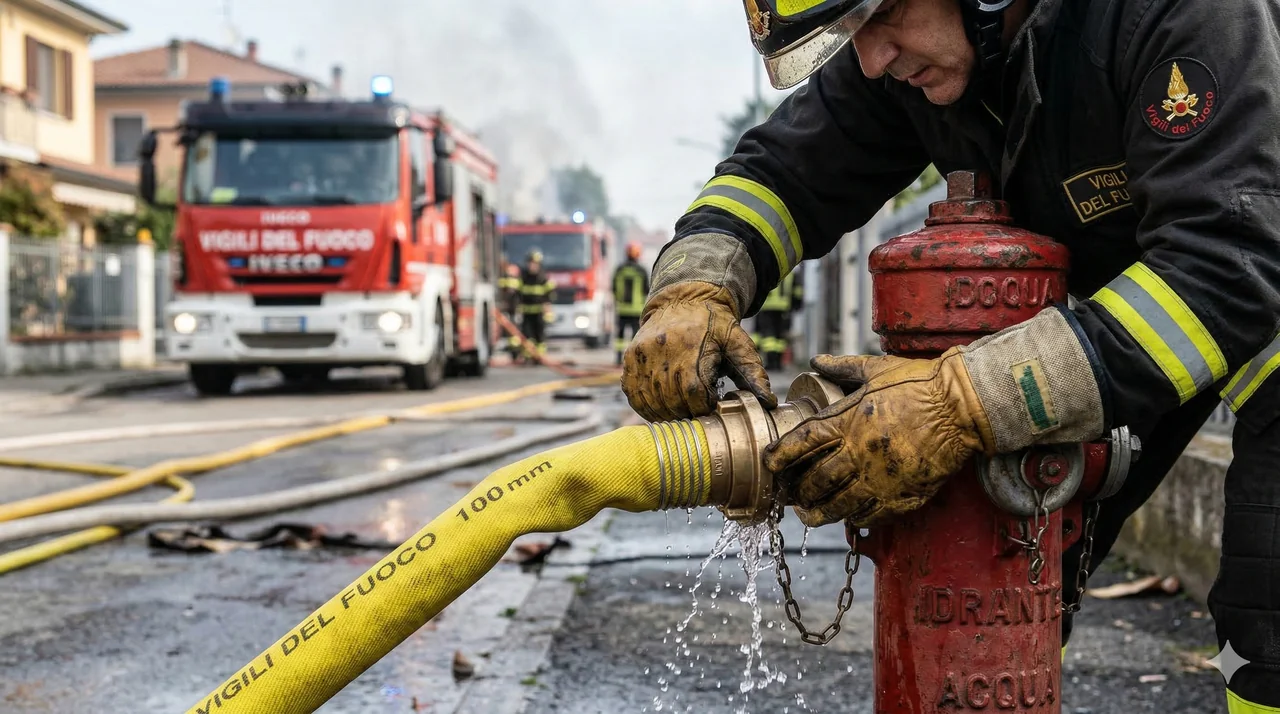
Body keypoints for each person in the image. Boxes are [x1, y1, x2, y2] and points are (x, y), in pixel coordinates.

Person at [620, 0, 1280, 708]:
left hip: (1252, 299)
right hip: (1127, 326)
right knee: (1006, 575)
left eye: (882, 15)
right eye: (852, 33)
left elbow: (1229, 264)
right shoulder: (928, 48)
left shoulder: (1177, 13)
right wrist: (694, 283)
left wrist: (964, 401)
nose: (871, 59)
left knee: (1267, 619)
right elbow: (781, 171)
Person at [753, 269, 804, 371]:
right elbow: (797, 290)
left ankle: (771, 362)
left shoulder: (769, 269)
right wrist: (797, 303)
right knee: (780, 335)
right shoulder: (791, 273)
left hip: (767, 306)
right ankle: (778, 363)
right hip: (784, 308)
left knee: (768, 336)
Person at [612, 242, 650, 365]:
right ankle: (634, 361)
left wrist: (618, 300)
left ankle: (618, 359)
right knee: (635, 336)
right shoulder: (641, 270)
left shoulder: (620, 269)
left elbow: (614, 288)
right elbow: (647, 289)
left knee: (620, 336)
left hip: (622, 309)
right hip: (636, 310)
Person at [518, 250, 556, 363]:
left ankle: (539, 358)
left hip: (539, 313)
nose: (532, 266)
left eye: (535, 263)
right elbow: (518, 293)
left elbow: (550, 295)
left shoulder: (543, 278)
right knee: (527, 336)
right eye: (530, 263)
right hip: (526, 313)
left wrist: (548, 309)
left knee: (540, 337)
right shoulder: (523, 277)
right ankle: (528, 356)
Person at [498, 262, 523, 359]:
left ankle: (515, 351)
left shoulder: (517, 282)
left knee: (514, 331)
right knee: (511, 331)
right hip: (509, 309)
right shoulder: (504, 280)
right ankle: (514, 351)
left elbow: (519, 295)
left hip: (514, 310)